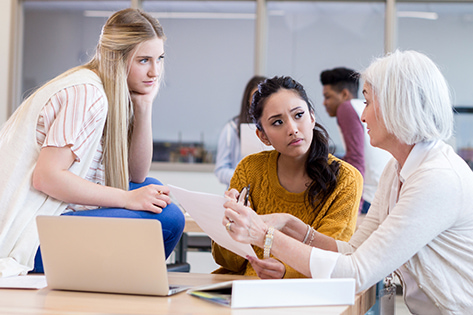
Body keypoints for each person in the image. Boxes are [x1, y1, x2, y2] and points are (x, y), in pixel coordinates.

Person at [223, 51, 473, 313]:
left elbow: (355, 273)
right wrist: (289, 225)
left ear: (397, 105)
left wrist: (265, 236)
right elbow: (353, 250)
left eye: (367, 102)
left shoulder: (437, 179)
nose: (362, 116)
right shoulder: (396, 169)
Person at [0, 8, 185, 277]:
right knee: (167, 219)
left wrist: (144, 106)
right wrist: (126, 198)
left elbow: (136, 174)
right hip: (30, 237)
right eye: (144, 60)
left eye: (159, 59)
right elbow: (47, 178)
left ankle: (121, 281)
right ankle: (123, 284)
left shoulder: (114, 93)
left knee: (152, 189)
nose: (155, 71)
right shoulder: (88, 94)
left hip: (54, 218)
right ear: (117, 57)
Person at [212, 76, 363, 279]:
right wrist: (231, 224)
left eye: (298, 115)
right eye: (277, 122)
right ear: (263, 136)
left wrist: (286, 272)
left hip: (308, 297)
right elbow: (228, 261)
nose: (292, 129)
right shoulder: (249, 169)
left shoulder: (346, 179)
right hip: (245, 291)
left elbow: (330, 260)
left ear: (312, 117)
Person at [320, 67, 391, 213]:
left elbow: (356, 159)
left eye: (328, 97)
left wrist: (354, 208)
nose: (324, 103)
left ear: (344, 94)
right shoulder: (362, 106)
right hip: (384, 195)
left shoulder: (346, 108)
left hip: (369, 200)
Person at [214, 75, 266, 186]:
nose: (259, 101)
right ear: (247, 99)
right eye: (255, 96)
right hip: (239, 193)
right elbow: (220, 169)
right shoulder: (231, 128)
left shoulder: (275, 128)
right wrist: (243, 177)